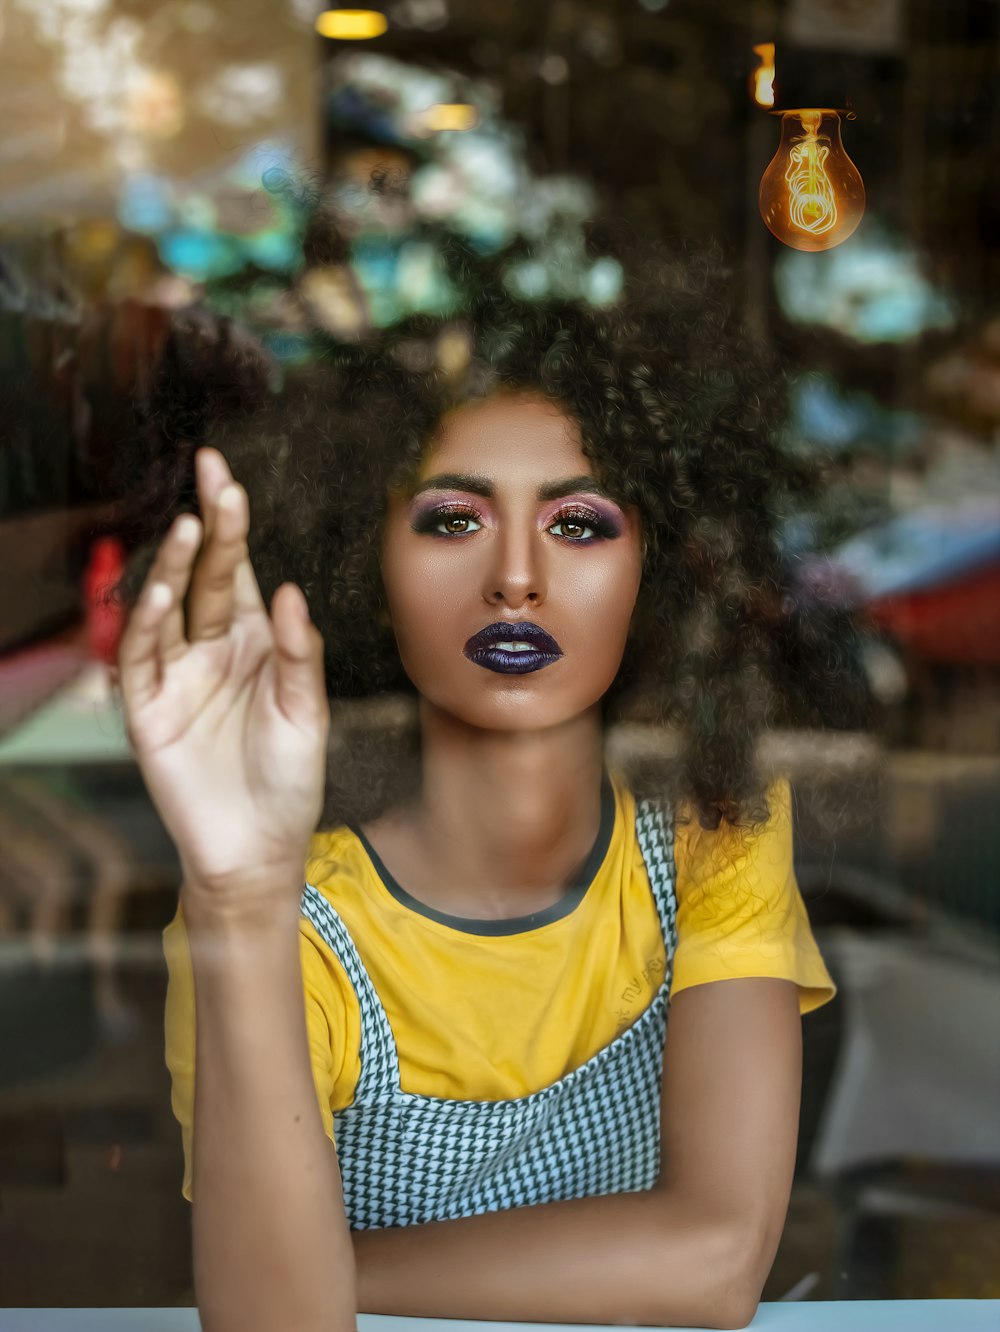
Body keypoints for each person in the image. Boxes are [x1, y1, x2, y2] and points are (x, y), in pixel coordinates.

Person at [117, 258, 853, 1332]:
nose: (516, 576)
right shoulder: (287, 917)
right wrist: (237, 899)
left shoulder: (715, 835)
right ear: (365, 560)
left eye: (580, 524)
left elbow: (716, 1260)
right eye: (453, 521)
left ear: (656, 562)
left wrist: (323, 1266)